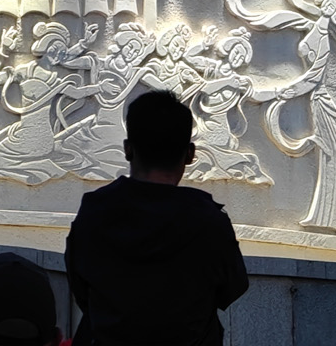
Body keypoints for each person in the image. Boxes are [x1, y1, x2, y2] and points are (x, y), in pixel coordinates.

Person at [63, 90, 250, 346]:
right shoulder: (209, 220)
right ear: (190, 154)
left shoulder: (94, 211)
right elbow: (232, 288)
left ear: (127, 149)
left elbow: (79, 286)